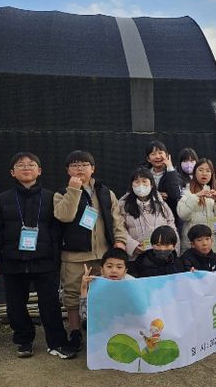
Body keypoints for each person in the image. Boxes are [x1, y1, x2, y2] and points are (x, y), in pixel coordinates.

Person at [0, 152, 75, 359]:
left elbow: (58, 229)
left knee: (50, 304)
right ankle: (24, 340)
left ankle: (57, 343)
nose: (26, 167)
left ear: (39, 171)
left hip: (45, 260)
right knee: (15, 305)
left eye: (31, 164)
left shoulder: (51, 197)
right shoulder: (3, 199)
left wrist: (55, 255)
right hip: (12, 260)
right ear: (12, 172)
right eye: (21, 165)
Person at [53, 150, 127, 352]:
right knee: (72, 296)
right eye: (74, 165)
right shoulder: (61, 193)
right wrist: (74, 190)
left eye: (84, 165)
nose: (80, 169)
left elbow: (116, 220)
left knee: (104, 295)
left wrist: (120, 241)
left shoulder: (106, 192)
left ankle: (104, 331)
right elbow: (64, 216)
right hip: (74, 257)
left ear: (93, 168)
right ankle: (75, 332)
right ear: (67, 170)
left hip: (103, 256)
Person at [119, 168, 178, 273]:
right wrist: (132, 246)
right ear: (131, 185)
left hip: (160, 256)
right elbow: (119, 228)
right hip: (136, 258)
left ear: (151, 184)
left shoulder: (161, 204)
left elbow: (171, 225)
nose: (141, 185)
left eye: (144, 181)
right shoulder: (123, 205)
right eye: (137, 182)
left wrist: (173, 249)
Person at [177, 158, 216, 255]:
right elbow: (183, 215)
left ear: (212, 174)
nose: (204, 173)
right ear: (195, 172)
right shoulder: (186, 192)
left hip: (213, 244)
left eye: (208, 171)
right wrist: (196, 197)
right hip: (192, 244)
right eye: (201, 170)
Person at [79, 248, 134, 321]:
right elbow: (85, 316)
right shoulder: (96, 286)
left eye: (119, 267)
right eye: (109, 266)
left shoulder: (133, 284)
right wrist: (84, 288)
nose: (114, 270)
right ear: (102, 270)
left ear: (125, 271)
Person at [143, 140, 182, 224]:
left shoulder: (174, 174)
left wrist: (170, 167)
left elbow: (175, 195)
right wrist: (155, 196)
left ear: (167, 155)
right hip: (148, 218)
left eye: (160, 153)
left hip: (169, 219)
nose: (157, 157)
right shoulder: (143, 175)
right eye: (153, 154)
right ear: (148, 159)